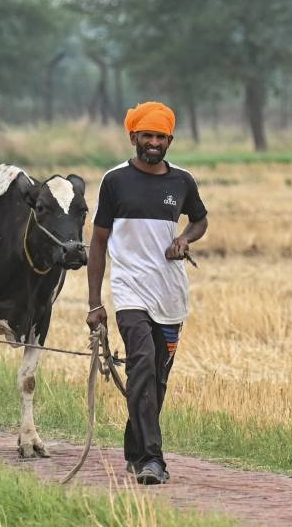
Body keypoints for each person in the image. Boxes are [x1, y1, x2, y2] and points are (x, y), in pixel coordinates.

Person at [86, 101, 208, 485]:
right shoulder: (114, 181)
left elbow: (200, 220)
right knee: (141, 362)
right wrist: (95, 304)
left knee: (155, 379)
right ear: (133, 137)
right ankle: (153, 459)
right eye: (147, 136)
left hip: (171, 293)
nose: (153, 143)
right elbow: (99, 242)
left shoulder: (182, 182)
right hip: (130, 292)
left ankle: (135, 451)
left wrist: (184, 238)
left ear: (169, 140)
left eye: (161, 137)